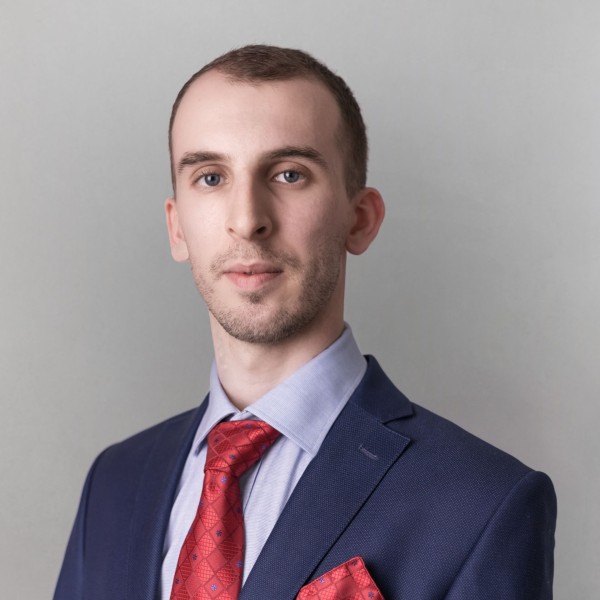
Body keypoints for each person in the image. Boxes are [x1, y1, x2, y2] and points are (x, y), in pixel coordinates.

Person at [54, 45, 556, 600]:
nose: (247, 220)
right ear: (177, 228)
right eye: (211, 177)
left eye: (289, 174)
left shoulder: (482, 503)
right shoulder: (114, 483)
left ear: (360, 220)